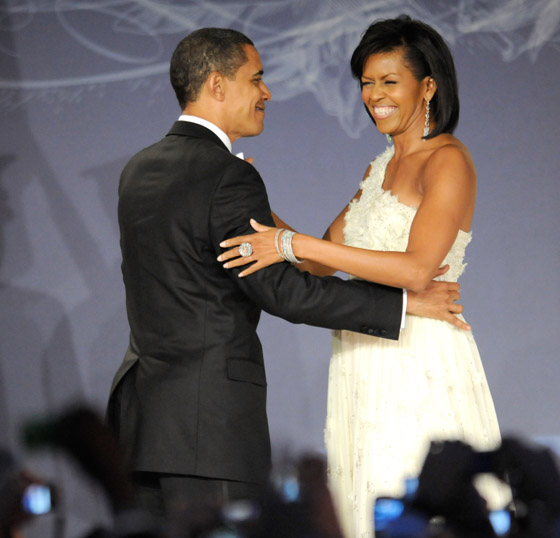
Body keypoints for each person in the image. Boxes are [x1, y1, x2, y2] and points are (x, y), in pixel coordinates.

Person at [106, 27, 468, 519]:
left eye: (389, 81)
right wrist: (401, 305)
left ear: (427, 86)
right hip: (209, 427)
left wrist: (276, 230)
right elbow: (292, 283)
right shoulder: (229, 174)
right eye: (256, 79)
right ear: (217, 85)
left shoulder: (140, 168)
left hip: (146, 421)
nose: (267, 91)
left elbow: (349, 259)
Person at [219, 16, 510, 538]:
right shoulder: (379, 167)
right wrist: (248, 190)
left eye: (388, 81)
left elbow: (419, 268)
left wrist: (292, 242)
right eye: (366, 83)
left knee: (416, 504)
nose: (374, 95)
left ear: (428, 86)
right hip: (362, 354)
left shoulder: (447, 160)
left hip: (416, 355)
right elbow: (321, 260)